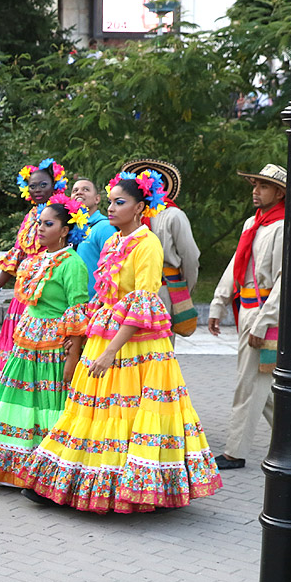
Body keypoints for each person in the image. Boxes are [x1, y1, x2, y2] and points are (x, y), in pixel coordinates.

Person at [19, 170, 221, 512]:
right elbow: (102, 296)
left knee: (129, 414)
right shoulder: (112, 241)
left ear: (141, 207)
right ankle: (63, 481)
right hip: (105, 332)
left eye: (119, 203)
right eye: (110, 202)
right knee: (91, 410)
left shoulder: (148, 244)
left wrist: (111, 351)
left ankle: (129, 488)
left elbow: (144, 302)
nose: (110, 208)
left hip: (136, 344)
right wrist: (79, 337)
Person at [0, 195, 89, 485]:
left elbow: (77, 310)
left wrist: (73, 356)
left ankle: (43, 467)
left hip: (52, 346)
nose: (40, 228)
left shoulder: (72, 263)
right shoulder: (37, 258)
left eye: (49, 224)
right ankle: (8, 462)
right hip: (26, 341)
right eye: (39, 223)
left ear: (65, 230)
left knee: (45, 403)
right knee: (17, 398)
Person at [207, 164, 288, 470]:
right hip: (248, 308)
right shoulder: (253, 223)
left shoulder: (282, 226)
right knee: (261, 382)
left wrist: (266, 319)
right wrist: (218, 303)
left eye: (263, 187)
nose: (255, 191)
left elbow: (283, 279)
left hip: (265, 310)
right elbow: (235, 265)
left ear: (279, 193)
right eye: (254, 185)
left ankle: (235, 451)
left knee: (250, 381)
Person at [0, 158, 68, 391]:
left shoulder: (65, 211)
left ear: (55, 183)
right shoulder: (31, 216)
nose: (37, 190)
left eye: (43, 185)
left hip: (48, 288)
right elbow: (18, 252)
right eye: (32, 186)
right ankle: (9, 394)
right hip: (25, 289)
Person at [120, 159, 200, 334]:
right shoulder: (128, 215)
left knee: (160, 346)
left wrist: (183, 290)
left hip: (163, 290)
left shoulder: (174, 215)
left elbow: (190, 258)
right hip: (130, 289)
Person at [72, 178, 114, 298]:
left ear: (97, 199)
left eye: (85, 189)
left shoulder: (105, 227)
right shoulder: (69, 228)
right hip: (73, 304)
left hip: (96, 304)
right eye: (75, 190)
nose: (79, 192)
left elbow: (112, 269)